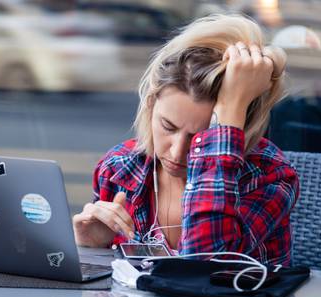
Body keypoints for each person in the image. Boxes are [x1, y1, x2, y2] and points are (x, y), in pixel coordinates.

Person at [72, 13, 299, 266]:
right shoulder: (118, 168)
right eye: (168, 126)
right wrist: (89, 247)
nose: (178, 152)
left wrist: (230, 111)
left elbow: (205, 263)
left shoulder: (268, 176)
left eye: (202, 137)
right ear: (150, 105)